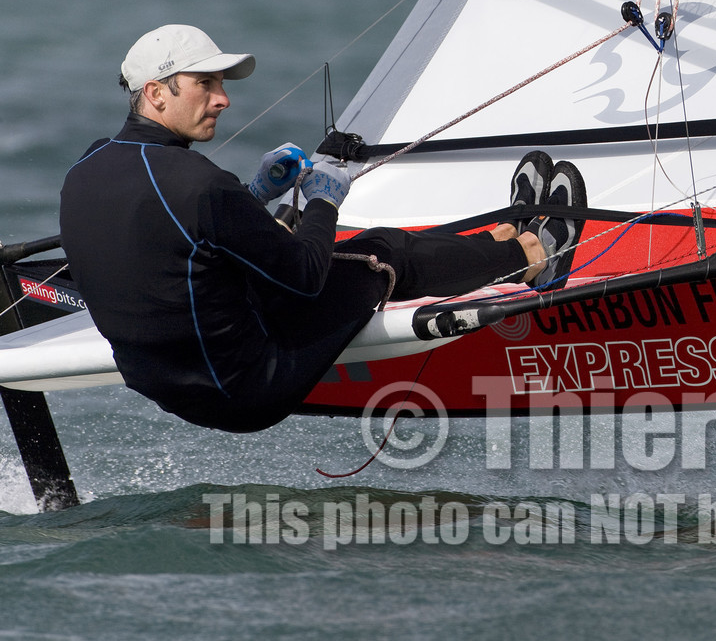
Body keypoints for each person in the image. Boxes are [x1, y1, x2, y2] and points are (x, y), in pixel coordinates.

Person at [58, 25, 583, 434]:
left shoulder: (86, 166)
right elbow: (306, 278)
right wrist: (322, 202)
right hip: (242, 389)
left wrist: (255, 195)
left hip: (165, 384)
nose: (223, 99)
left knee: (287, 245)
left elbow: (171, 234)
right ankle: (536, 255)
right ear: (156, 92)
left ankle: (499, 240)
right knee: (378, 252)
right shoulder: (201, 186)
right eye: (206, 84)